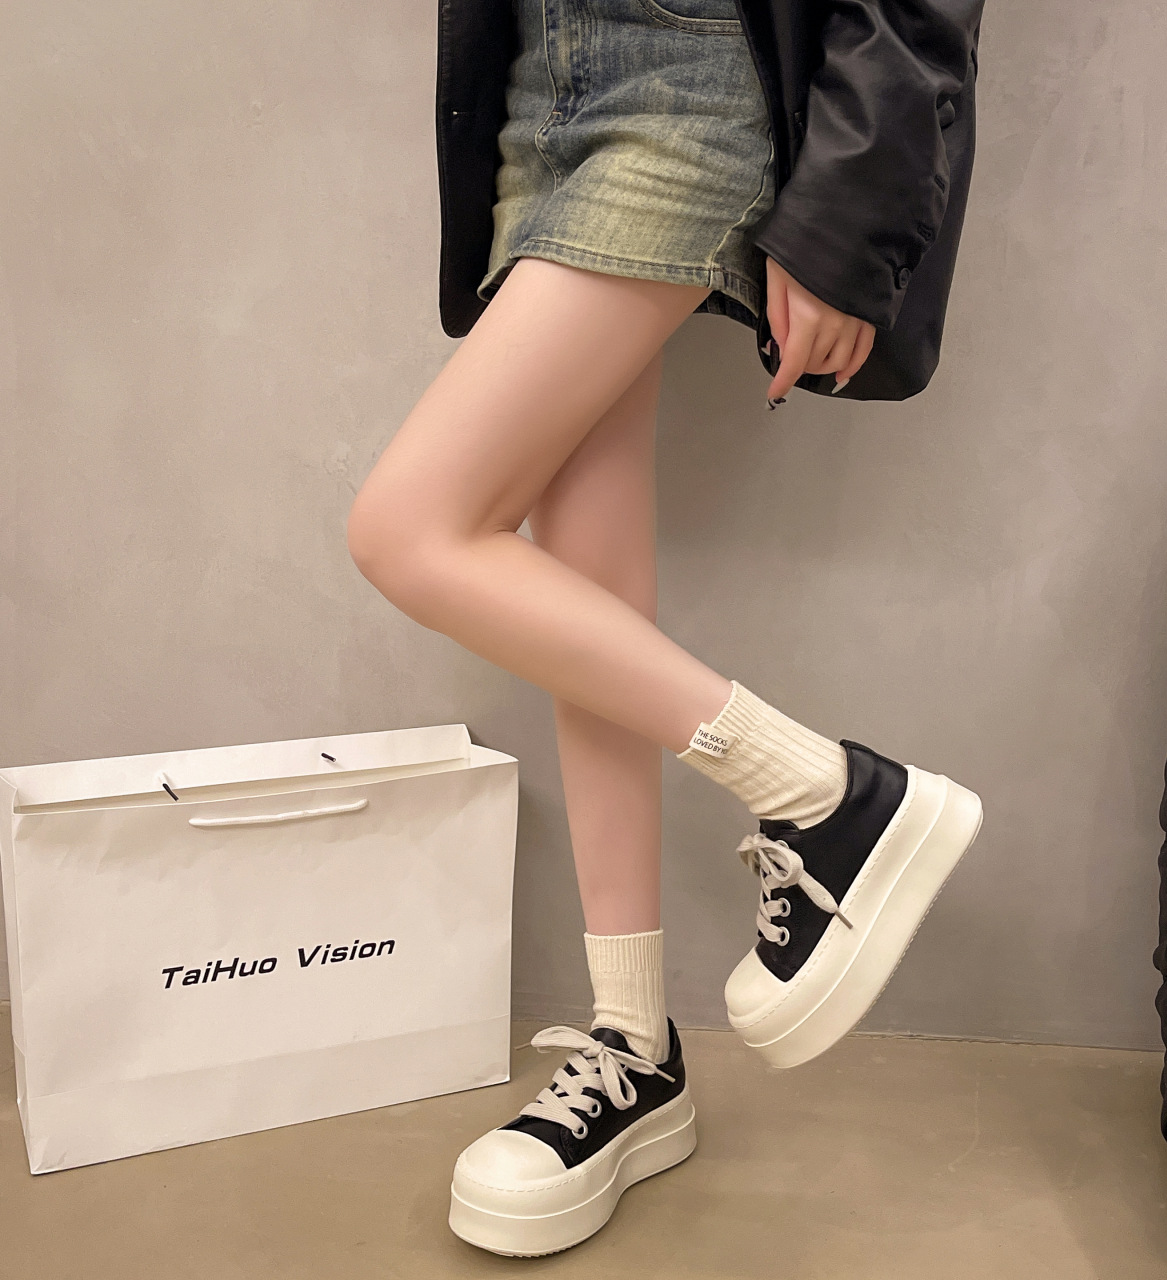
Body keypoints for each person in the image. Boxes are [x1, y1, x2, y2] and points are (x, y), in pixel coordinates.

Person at [346, 0, 985, 1257]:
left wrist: (849, 219)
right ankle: (634, 1043)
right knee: (578, 603)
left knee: (410, 527)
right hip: (539, 86)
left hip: (696, 74)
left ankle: (826, 792)